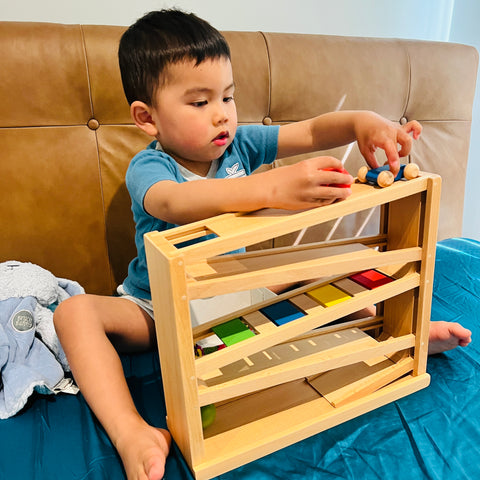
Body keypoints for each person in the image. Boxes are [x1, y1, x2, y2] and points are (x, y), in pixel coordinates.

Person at [53, 9, 472, 480]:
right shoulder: (151, 168)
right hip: (156, 308)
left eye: (228, 97)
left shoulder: (240, 146)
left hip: (237, 290)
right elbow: (175, 203)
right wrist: (268, 190)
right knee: (74, 313)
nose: (222, 114)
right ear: (147, 118)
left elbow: (311, 131)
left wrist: (362, 121)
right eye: (198, 102)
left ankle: (398, 329)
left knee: (324, 261)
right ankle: (132, 430)